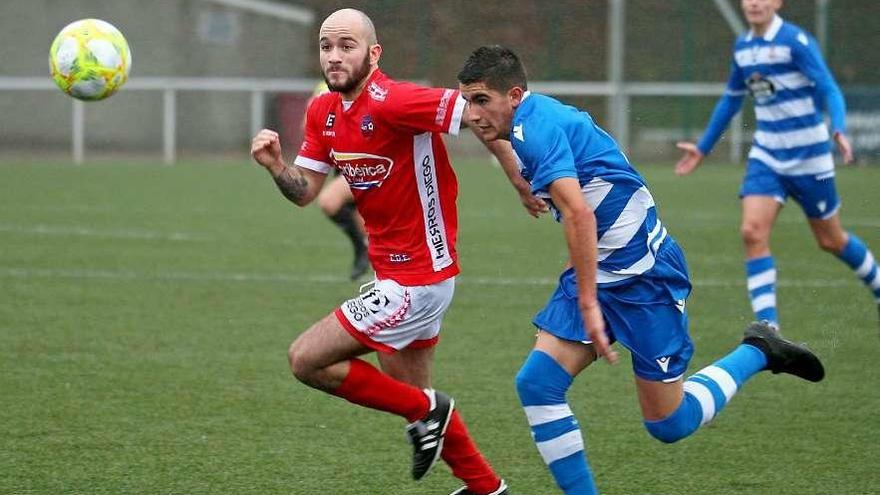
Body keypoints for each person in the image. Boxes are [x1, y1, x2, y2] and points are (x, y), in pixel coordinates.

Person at [457, 45, 825, 495]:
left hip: (646, 276)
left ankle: (759, 350)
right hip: (601, 269)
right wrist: (518, 179)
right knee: (537, 383)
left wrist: (589, 301)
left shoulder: (538, 128)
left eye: (480, 101)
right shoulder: (518, 119)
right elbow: (491, 132)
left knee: (670, 424)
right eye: (468, 101)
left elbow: (580, 215)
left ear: (514, 95)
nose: (473, 115)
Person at [250, 9, 507, 495]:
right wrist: (275, 166)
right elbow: (306, 192)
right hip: (396, 277)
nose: (334, 55)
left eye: (347, 45)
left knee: (306, 359)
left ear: (374, 53)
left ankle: (429, 415)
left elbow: (480, 110)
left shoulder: (396, 100)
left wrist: (519, 175)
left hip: (418, 281)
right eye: (326, 46)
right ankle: (486, 489)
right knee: (417, 396)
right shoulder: (323, 110)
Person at [675, 0, 880, 327]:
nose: (754, 3)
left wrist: (838, 127)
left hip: (809, 157)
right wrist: (703, 147)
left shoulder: (795, 41)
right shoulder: (742, 46)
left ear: (777, 2)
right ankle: (769, 330)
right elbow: (731, 99)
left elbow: (828, 87)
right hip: (767, 156)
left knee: (831, 240)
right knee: (751, 231)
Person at [307, 81, 371, 281]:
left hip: (367, 166)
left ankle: (362, 250)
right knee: (366, 227)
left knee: (329, 201)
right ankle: (366, 253)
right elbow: (309, 124)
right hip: (344, 168)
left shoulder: (366, 93)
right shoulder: (323, 91)